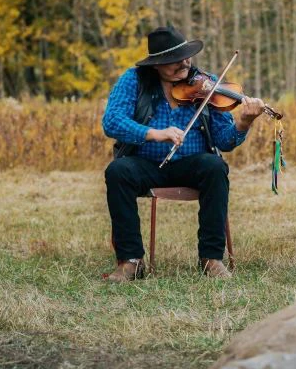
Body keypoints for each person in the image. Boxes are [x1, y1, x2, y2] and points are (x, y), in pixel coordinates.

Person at [102, 24, 267, 282]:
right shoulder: (133, 80)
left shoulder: (207, 84)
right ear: (155, 64)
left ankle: (211, 258)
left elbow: (225, 141)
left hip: (191, 164)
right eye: (173, 61)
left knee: (215, 166)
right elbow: (111, 121)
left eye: (186, 57)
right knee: (117, 171)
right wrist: (154, 133)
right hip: (145, 163)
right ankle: (130, 261)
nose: (184, 64)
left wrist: (244, 122)